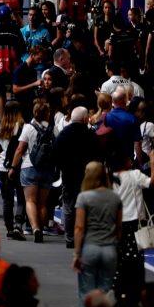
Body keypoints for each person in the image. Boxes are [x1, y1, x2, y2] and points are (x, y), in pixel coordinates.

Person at [112, 147, 154, 307]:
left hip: (117, 223)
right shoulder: (134, 175)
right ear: (125, 161)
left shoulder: (110, 178)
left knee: (119, 258)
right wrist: (152, 162)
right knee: (136, 260)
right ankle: (135, 293)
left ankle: (119, 292)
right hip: (135, 223)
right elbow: (153, 182)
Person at [73, 161, 123, 307]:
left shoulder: (84, 197)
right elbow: (119, 226)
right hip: (110, 249)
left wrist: (76, 254)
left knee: (85, 293)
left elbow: (79, 227)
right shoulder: (115, 197)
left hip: (90, 247)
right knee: (106, 293)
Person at [54, 106, 103, 248]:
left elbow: (55, 155)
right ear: (84, 119)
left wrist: (63, 168)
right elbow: (99, 156)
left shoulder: (63, 134)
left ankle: (70, 238)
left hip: (69, 175)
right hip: (88, 177)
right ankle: (85, 237)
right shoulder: (90, 135)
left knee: (69, 207)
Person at [8, 99, 55, 243]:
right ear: (47, 113)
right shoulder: (52, 128)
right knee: (42, 203)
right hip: (47, 169)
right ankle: (41, 226)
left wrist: (13, 167)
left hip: (30, 167)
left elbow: (20, 149)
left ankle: (35, 229)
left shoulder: (28, 127)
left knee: (30, 200)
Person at [0, 100, 28, 240]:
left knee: (7, 199)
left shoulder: (1, 128)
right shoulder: (23, 127)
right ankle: (18, 224)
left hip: (3, 167)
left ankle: (9, 227)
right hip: (19, 166)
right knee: (22, 198)